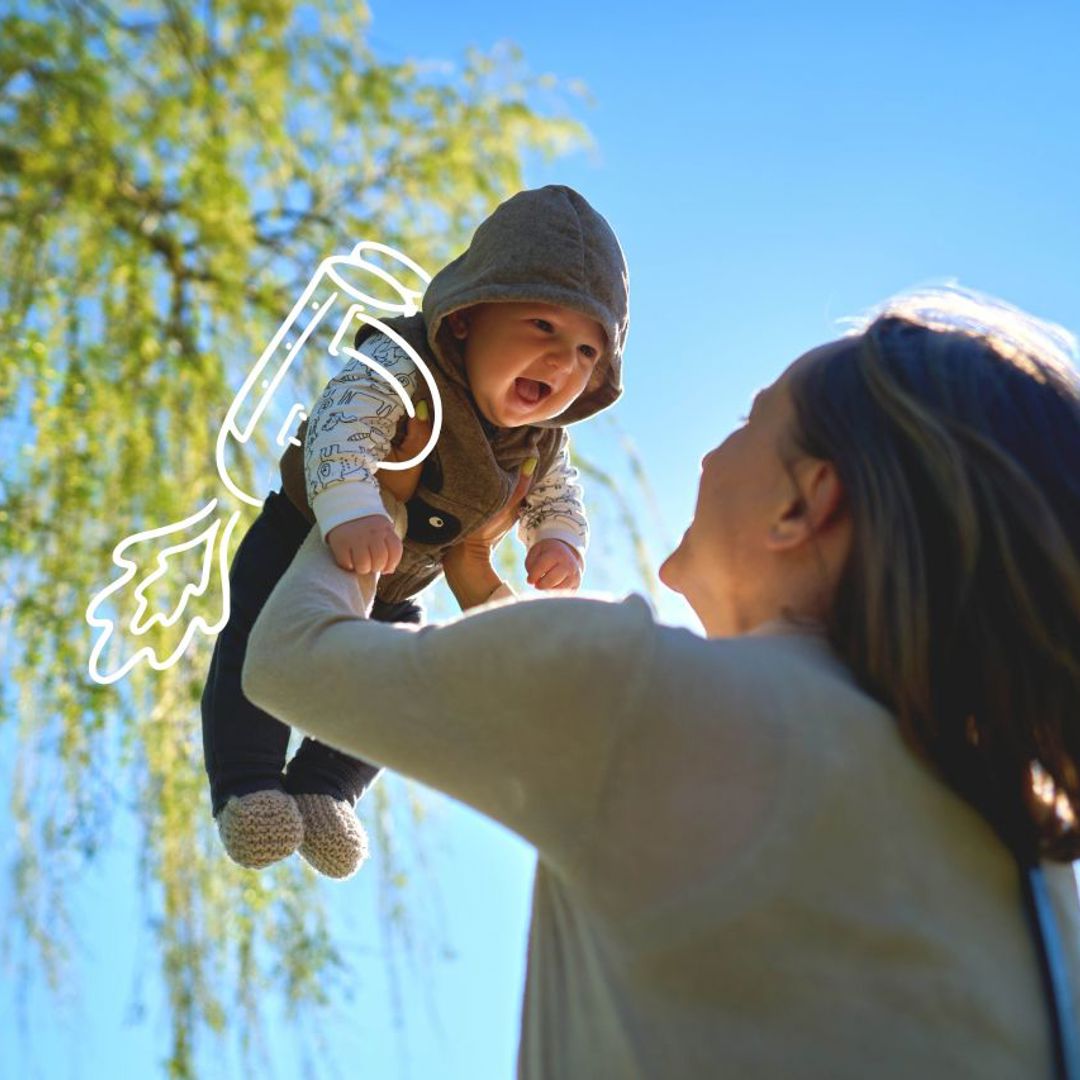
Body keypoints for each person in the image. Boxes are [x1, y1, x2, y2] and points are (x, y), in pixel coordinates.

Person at [241, 287, 1080, 1079]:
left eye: (753, 421)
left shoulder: (633, 695)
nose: (716, 449)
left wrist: (382, 497)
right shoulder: (1033, 855)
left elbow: (294, 655)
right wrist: (470, 571)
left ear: (804, 506)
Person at [201, 185, 630, 877]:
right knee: (257, 640)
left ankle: (327, 785)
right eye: (543, 327)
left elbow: (557, 493)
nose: (562, 362)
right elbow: (344, 421)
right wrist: (352, 508)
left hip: (406, 575)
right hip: (305, 534)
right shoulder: (408, 364)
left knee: (408, 675)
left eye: (586, 351)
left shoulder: (540, 439)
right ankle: (247, 783)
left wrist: (557, 540)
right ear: (465, 320)